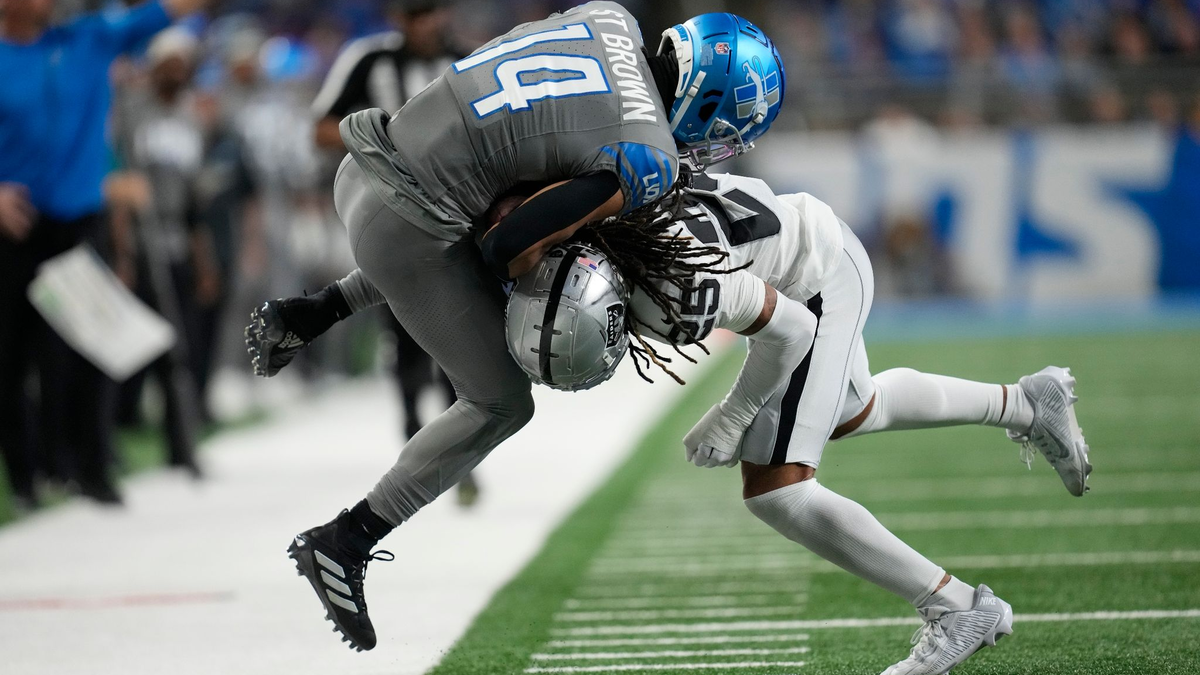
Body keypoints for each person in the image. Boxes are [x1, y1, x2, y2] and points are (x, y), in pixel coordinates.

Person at [245, 4, 786, 651]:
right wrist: (565, 279)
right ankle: (346, 540)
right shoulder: (651, 156)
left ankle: (315, 310)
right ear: (709, 103)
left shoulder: (608, 15)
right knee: (501, 400)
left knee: (474, 208)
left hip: (363, 163)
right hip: (400, 225)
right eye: (726, 129)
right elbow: (508, 243)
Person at [501, 170, 1092, 675]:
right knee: (857, 410)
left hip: (816, 283)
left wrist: (731, 416)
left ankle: (956, 606)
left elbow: (792, 331)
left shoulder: (670, 292)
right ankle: (1024, 402)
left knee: (778, 489)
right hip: (814, 242)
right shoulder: (603, 209)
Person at [0, 0, 208, 507]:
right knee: (9, 360)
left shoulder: (89, 39)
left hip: (76, 222)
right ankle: (27, 478)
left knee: (87, 349)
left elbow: (172, 9)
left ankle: (89, 468)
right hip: (13, 225)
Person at [310, 0, 476, 504]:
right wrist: (379, 146)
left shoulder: (466, 63)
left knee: (463, 331)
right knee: (402, 328)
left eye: (430, 12)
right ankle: (411, 429)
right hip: (391, 218)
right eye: (413, 14)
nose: (424, 23)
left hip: (458, 215)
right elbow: (321, 128)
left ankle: (456, 449)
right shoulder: (369, 60)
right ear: (397, 19)